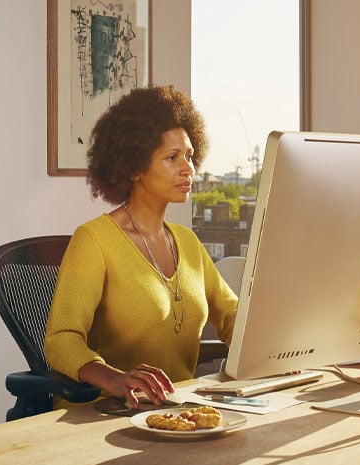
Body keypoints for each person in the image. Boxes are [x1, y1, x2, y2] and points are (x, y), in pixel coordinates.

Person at [43, 85, 238, 410]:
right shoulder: (94, 240)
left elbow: (230, 313)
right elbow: (61, 338)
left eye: (189, 156)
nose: (188, 169)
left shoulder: (187, 242)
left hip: (175, 412)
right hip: (105, 414)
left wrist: (276, 349)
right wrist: (112, 377)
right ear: (133, 168)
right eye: (172, 158)